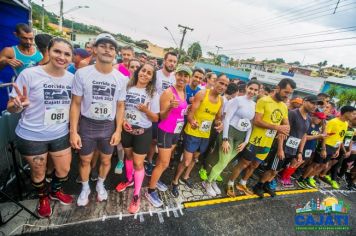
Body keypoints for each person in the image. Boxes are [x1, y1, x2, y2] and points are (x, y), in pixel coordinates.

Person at [7, 38, 74, 217]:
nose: (62, 57)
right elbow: (10, 106)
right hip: (32, 135)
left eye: (67, 54)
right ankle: (43, 197)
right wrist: (18, 106)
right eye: (57, 51)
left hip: (60, 133)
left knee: (64, 170)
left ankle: (55, 190)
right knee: (39, 171)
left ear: (71, 58)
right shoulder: (29, 74)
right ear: (48, 51)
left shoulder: (72, 79)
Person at [70, 33, 126, 206]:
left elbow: (120, 106)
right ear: (94, 49)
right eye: (103, 46)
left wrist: (118, 130)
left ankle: (100, 184)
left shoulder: (121, 79)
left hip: (108, 126)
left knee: (106, 160)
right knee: (85, 160)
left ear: (115, 53)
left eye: (111, 48)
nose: (107, 50)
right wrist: (73, 131)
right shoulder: (82, 73)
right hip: (87, 124)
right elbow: (75, 104)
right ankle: (85, 188)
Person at [226, 78, 295, 197]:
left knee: (255, 165)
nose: (287, 96)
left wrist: (285, 128)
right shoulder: (264, 101)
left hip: (267, 143)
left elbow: (286, 124)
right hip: (254, 140)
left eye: (290, 93)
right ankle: (230, 182)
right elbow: (257, 121)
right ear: (278, 88)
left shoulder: (284, 106)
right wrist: (278, 128)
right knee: (244, 163)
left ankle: (242, 183)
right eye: (286, 92)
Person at [170, 75, 229, 197]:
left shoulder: (221, 100)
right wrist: (192, 122)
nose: (222, 86)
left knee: (195, 159)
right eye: (221, 83)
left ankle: (185, 177)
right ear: (215, 82)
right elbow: (191, 113)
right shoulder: (202, 94)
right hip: (192, 132)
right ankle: (175, 181)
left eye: (225, 85)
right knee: (186, 161)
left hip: (205, 134)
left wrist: (219, 124)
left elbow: (217, 117)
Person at [115, 62, 159, 214]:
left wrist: (146, 110)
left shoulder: (153, 94)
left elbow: (155, 119)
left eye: (149, 73)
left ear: (152, 78)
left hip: (142, 133)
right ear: (138, 72)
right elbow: (120, 107)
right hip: (127, 130)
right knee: (127, 156)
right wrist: (122, 122)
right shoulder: (127, 88)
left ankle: (136, 195)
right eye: (143, 71)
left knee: (138, 163)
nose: (145, 74)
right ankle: (128, 179)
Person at [202, 81, 260, 196]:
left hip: (241, 137)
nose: (252, 92)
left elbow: (250, 125)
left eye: (255, 90)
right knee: (223, 161)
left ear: (258, 92)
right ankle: (207, 182)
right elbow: (227, 119)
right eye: (251, 88)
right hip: (229, 134)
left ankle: (212, 180)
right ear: (246, 87)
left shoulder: (254, 105)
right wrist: (225, 139)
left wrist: (246, 142)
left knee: (226, 161)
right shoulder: (237, 100)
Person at [145, 65, 191, 207]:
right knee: (164, 163)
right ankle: (150, 191)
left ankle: (156, 178)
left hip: (176, 132)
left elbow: (182, 112)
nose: (182, 78)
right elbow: (162, 117)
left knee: (162, 161)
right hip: (165, 131)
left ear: (188, 79)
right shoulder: (168, 92)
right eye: (180, 75)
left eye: (185, 76)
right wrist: (170, 107)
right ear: (175, 76)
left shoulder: (184, 92)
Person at [263, 95, 318, 190]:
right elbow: (282, 131)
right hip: (283, 147)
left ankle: (267, 184)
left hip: (292, 150)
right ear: (304, 101)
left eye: (316, 104)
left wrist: (300, 152)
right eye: (312, 103)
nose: (314, 106)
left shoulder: (309, 118)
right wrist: (280, 149)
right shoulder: (293, 114)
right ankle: (260, 185)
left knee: (277, 170)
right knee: (272, 169)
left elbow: (303, 136)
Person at [145, 52, 178, 176]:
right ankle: (149, 161)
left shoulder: (175, 77)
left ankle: (158, 164)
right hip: (156, 112)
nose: (172, 63)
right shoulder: (156, 75)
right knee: (153, 141)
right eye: (170, 60)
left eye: (174, 62)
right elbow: (149, 91)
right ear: (164, 61)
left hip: (169, 114)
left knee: (163, 142)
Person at [317, 106, 356, 189]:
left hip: (336, 147)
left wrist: (338, 149)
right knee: (318, 163)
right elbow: (325, 136)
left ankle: (317, 176)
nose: (354, 116)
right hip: (327, 145)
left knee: (327, 164)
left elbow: (341, 138)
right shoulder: (333, 121)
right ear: (346, 113)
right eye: (353, 114)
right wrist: (323, 148)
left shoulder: (346, 124)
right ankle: (309, 177)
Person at [296, 112, 327, 188]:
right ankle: (288, 176)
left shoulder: (317, 126)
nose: (319, 120)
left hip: (311, 147)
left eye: (321, 119)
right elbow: (305, 137)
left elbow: (318, 135)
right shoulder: (308, 123)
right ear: (313, 116)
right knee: (296, 161)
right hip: (303, 146)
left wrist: (321, 133)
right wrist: (318, 136)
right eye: (319, 118)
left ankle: (299, 175)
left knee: (303, 161)